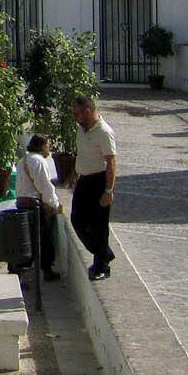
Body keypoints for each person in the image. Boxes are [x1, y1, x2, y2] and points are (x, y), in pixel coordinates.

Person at [70, 94, 118, 280]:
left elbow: (111, 162)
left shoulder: (104, 132)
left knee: (99, 225)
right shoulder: (82, 129)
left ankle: (102, 265)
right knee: (77, 219)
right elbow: (82, 153)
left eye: (77, 114)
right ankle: (104, 252)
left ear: (87, 112)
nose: (76, 117)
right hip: (84, 179)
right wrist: (74, 172)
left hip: (98, 181)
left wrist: (108, 190)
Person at [15, 134, 63, 280]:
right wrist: (54, 204)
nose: (49, 149)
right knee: (43, 239)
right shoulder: (39, 161)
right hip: (33, 205)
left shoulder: (23, 161)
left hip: (21, 203)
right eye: (48, 145)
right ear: (42, 146)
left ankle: (20, 271)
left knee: (26, 238)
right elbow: (45, 186)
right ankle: (46, 270)